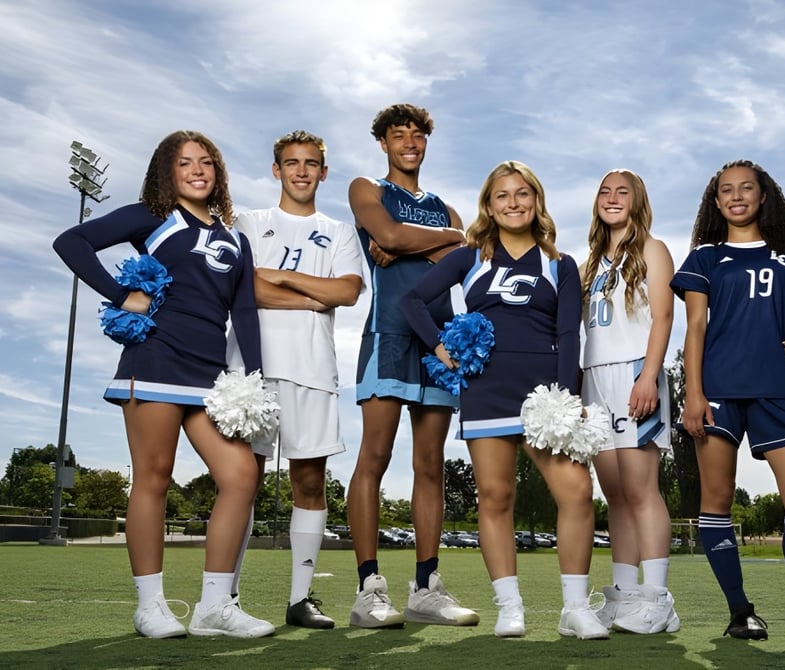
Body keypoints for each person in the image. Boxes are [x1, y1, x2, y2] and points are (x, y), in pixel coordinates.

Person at [52, 131, 274, 639]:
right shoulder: (153, 217)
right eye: (184, 163)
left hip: (210, 375)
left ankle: (215, 607)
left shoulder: (235, 238)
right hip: (154, 361)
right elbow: (72, 241)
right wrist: (120, 293)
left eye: (205, 163)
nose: (197, 171)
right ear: (166, 172)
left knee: (240, 475)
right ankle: (150, 605)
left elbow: (243, 312)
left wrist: (254, 380)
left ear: (218, 172)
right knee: (154, 474)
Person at [400, 160, 607, 640]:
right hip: (487, 391)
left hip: (543, 397)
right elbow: (412, 301)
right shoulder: (468, 256)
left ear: (536, 200)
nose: (513, 203)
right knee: (496, 497)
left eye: (522, 194)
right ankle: (509, 606)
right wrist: (439, 345)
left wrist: (566, 398)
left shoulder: (560, 264)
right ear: (488, 207)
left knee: (576, 491)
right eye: (502, 196)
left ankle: (574, 607)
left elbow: (567, 335)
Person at [670, 160, 785, 641]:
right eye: (726, 190)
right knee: (715, 503)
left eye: (746, 188)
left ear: (763, 195)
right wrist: (693, 394)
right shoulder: (705, 258)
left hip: (777, 389)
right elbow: (694, 328)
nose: (736, 196)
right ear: (715, 202)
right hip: (717, 391)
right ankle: (740, 612)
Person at [346, 103, 478, 628]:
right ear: (383, 143)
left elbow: (453, 258)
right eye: (398, 135)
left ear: (426, 142)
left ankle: (426, 587)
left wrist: (419, 241)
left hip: (440, 340)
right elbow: (394, 237)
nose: (409, 142)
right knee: (374, 457)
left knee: (431, 465)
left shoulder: (447, 210)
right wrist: (428, 242)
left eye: (417, 134)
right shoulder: (367, 189)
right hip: (388, 333)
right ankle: (368, 588)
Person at [229, 130, 365, 629]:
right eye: (292, 163)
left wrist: (280, 278)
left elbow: (348, 291)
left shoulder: (340, 231)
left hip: (312, 369)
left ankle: (299, 599)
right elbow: (241, 286)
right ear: (276, 170)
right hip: (251, 367)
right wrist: (312, 295)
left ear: (323, 173)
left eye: (311, 164)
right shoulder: (247, 222)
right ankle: (227, 595)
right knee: (241, 481)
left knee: (309, 481)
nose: (302, 171)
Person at [580, 169, 680, 634]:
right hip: (595, 379)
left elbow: (663, 317)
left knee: (642, 490)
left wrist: (649, 377)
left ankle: (659, 600)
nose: (612, 198)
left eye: (623, 192)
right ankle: (623, 597)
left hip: (636, 371)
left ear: (637, 201)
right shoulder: (593, 261)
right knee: (616, 495)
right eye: (605, 191)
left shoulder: (652, 249)